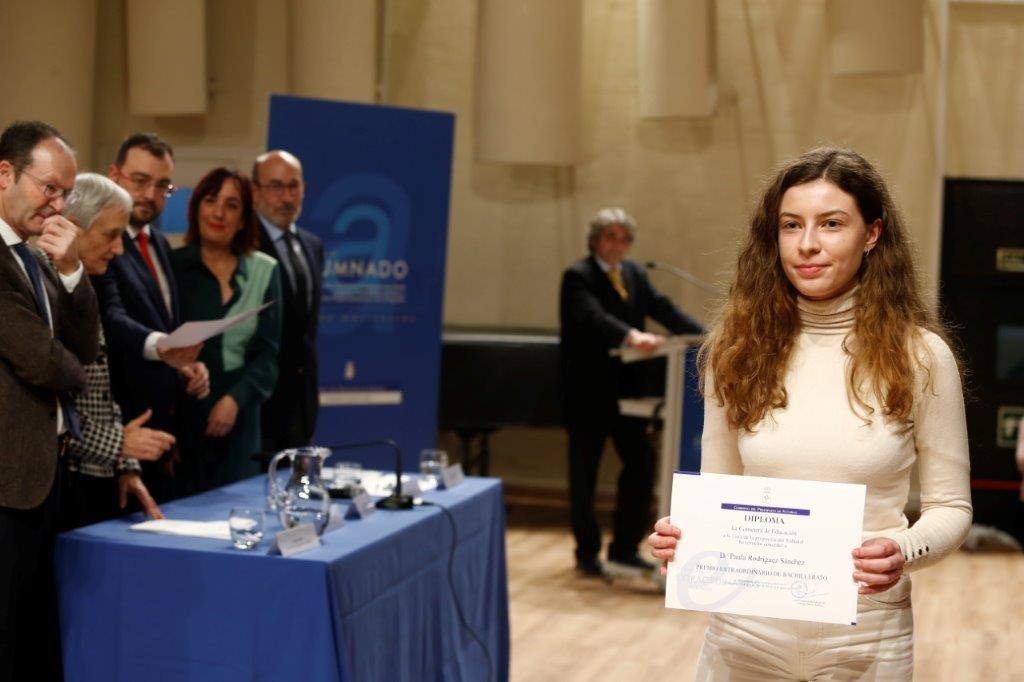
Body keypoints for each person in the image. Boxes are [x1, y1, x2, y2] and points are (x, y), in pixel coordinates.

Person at [648, 148, 972, 680]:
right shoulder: (735, 349)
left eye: (831, 224)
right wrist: (682, 535)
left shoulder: (921, 357)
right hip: (741, 638)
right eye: (791, 225)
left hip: (866, 641)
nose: (807, 245)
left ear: (872, 235)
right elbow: (720, 490)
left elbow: (952, 507)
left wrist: (902, 549)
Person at [0, 121, 99, 680]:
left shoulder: (35, 254)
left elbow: (85, 341)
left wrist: (71, 269)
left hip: (44, 473)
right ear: (6, 173)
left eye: (66, 192)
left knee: (35, 635)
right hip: (6, 482)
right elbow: (40, 358)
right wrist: (78, 373)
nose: (58, 204)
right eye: (49, 188)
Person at [559, 207, 704, 577]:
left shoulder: (635, 274)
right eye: (611, 236)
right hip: (588, 392)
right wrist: (631, 335)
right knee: (585, 475)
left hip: (629, 394)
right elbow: (593, 317)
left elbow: (663, 310)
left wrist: (708, 338)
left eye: (625, 238)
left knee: (641, 466)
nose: (619, 244)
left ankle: (624, 547)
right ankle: (586, 553)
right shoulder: (578, 276)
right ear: (595, 240)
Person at [62, 173, 195, 528]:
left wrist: (125, 465)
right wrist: (118, 442)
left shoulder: (89, 279)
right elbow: (46, 410)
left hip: (96, 478)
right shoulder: (41, 288)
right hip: (54, 488)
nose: (120, 249)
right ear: (72, 227)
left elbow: (104, 386)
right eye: (110, 235)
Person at [97, 133, 207, 500]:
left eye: (162, 186)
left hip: (164, 431)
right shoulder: (98, 239)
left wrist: (186, 363)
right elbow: (110, 318)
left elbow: (166, 325)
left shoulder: (158, 242)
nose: (150, 195)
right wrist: (165, 348)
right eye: (140, 181)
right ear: (114, 175)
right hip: (119, 430)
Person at [171, 167, 282, 491]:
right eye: (210, 200)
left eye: (232, 205)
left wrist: (234, 400)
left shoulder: (265, 270)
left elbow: (268, 355)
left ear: (245, 218)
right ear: (196, 209)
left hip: (241, 417)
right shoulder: (172, 265)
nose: (219, 212)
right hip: (183, 419)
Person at [252, 150, 324, 455]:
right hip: (261, 403)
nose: (286, 197)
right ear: (255, 191)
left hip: (303, 401)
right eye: (276, 187)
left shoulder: (312, 245)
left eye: (293, 186)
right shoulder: (246, 244)